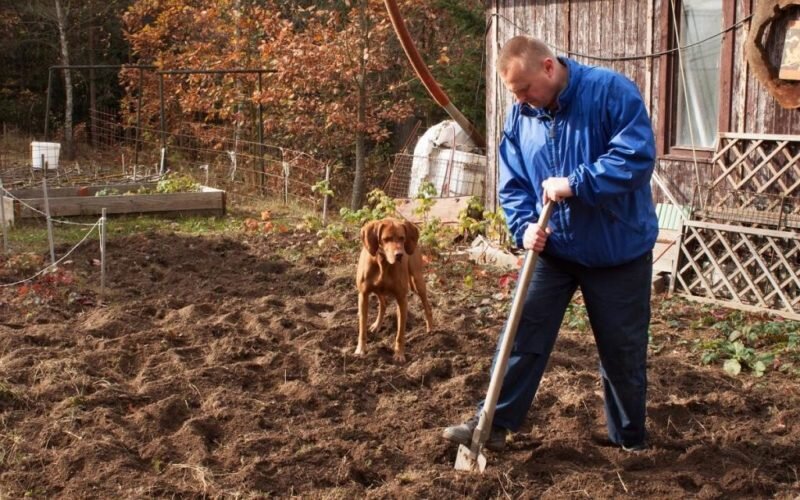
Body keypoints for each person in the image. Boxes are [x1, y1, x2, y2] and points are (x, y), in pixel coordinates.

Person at [442, 35, 658, 452]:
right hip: (554, 251)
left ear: (547, 66)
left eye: (525, 89)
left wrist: (576, 183)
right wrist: (524, 226)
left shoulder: (610, 92)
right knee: (521, 336)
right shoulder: (521, 115)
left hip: (617, 251)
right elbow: (513, 183)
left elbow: (635, 158)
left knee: (622, 353)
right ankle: (492, 424)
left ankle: (630, 442)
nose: (521, 99)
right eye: (514, 93)